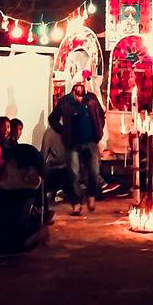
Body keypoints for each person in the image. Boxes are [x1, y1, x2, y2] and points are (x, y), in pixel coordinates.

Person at [48, 72, 105, 214]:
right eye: (77, 85)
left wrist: (98, 129)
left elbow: (101, 115)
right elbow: (53, 118)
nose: (80, 87)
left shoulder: (91, 99)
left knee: (94, 172)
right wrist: (62, 131)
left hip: (91, 141)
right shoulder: (65, 101)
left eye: (82, 84)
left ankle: (91, 195)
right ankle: (76, 202)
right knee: (74, 174)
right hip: (73, 144)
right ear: (73, 86)